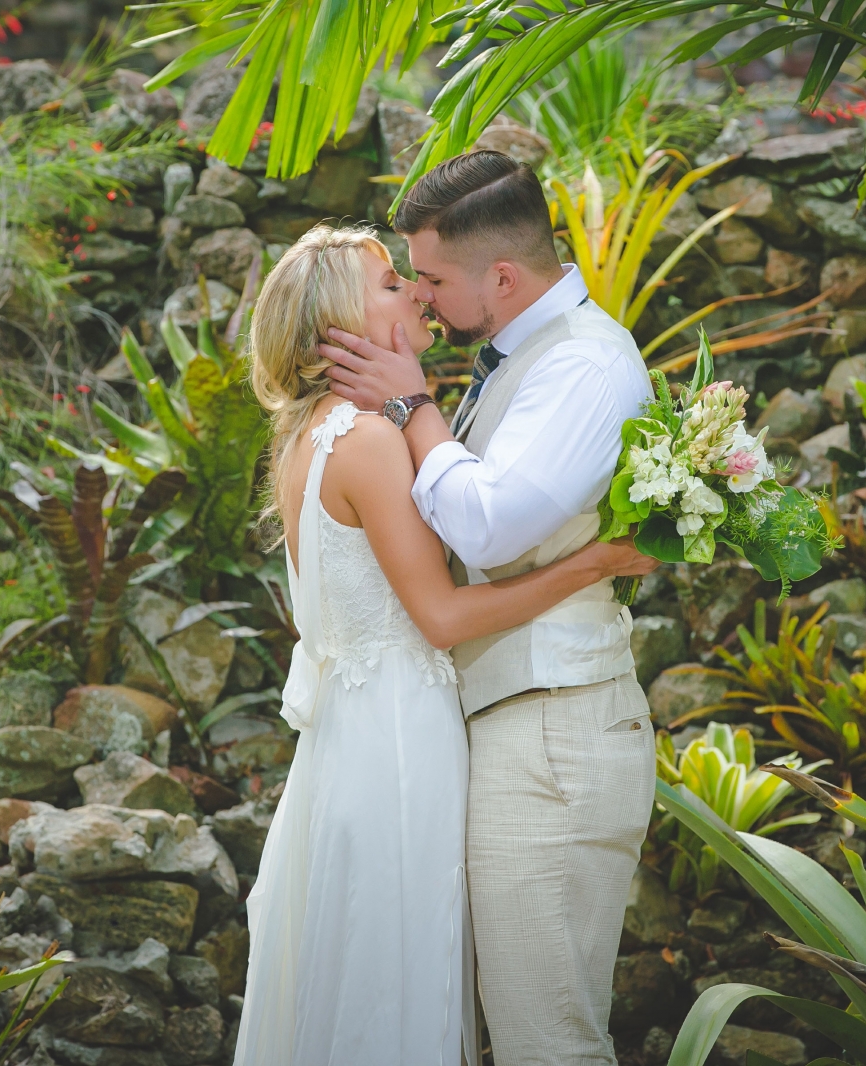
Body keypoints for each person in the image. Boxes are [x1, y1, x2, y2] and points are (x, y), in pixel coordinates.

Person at [233, 223, 657, 1066]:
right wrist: (597, 563)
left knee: (368, 981)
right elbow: (445, 616)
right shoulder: (372, 441)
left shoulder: (316, 438)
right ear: (341, 333)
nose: (418, 293)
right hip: (398, 742)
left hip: (355, 742)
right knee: (398, 994)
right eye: (392, 284)